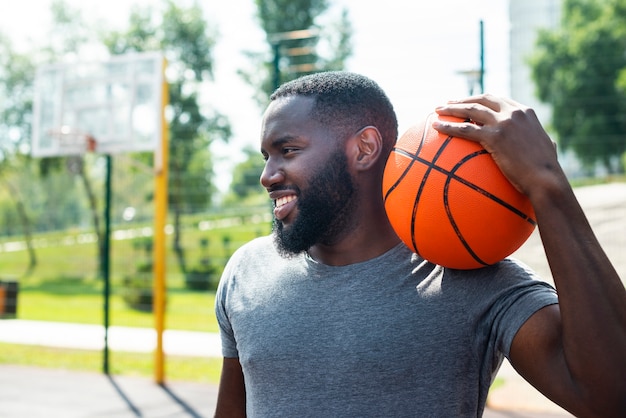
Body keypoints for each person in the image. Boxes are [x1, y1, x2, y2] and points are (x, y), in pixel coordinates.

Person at [214, 71, 626, 417]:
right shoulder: (246, 272)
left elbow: (610, 398)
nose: (268, 175)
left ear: (365, 149)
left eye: (287, 150)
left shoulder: (468, 280)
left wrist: (546, 183)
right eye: (266, 156)